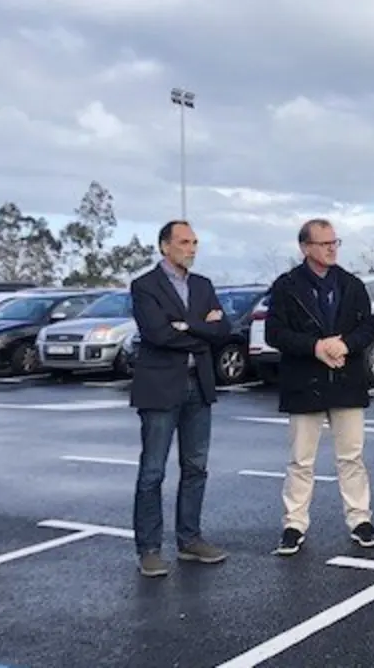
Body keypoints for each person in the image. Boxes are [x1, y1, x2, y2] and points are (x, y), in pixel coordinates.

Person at [265, 219, 374, 556]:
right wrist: (315, 347)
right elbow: (275, 333)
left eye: (335, 242)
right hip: (305, 383)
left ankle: (360, 519)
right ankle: (294, 523)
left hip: (346, 381)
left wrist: (345, 344)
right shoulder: (286, 287)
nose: (332, 248)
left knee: (352, 457)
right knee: (301, 460)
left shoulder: (351, 284)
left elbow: (369, 326)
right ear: (305, 248)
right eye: (324, 243)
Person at [129, 220, 231, 577]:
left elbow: (224, 331)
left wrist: (187, 327)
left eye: (195, 242)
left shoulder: (202, 285)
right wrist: (201, 328)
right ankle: (150, 549)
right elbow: (157, 334)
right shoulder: (145, 286)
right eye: (185, 242)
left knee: (196, 467)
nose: (192, 248)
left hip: (197, 385)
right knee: (153, 471)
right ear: (164, 247)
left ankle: (190, 540)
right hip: (160, 387)